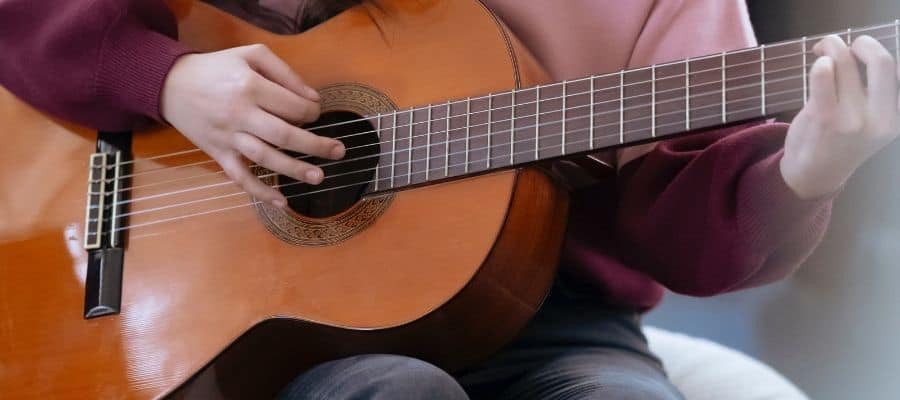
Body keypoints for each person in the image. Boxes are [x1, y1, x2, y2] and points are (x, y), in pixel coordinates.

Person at [1, 0, 898, 399]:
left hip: (557, 318)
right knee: (394, 393)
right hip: (291, 335)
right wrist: (164, 78)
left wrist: (804, 173)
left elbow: (686, 232)